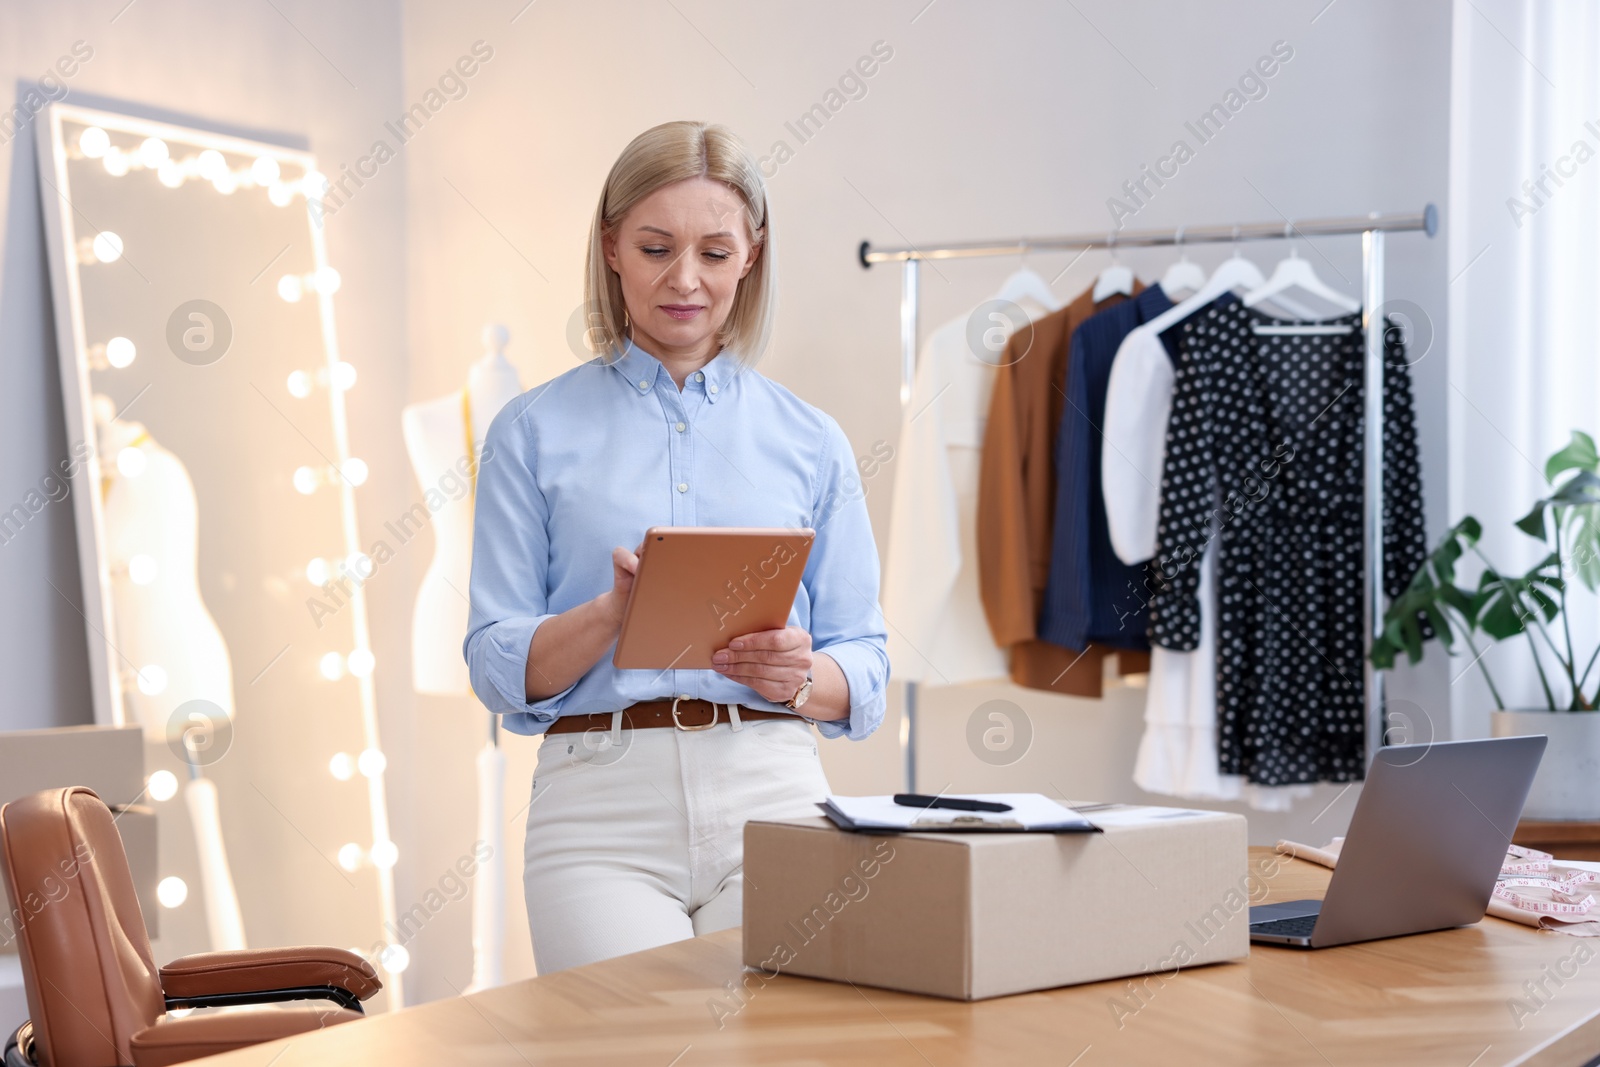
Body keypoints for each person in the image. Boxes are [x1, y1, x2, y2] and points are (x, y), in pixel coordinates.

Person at [464, 120, 889, 973]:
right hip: (598, 804)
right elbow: (493, 661)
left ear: (752, 256)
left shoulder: (812, 440)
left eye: (715, 252)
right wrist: (607, 616)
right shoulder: (530, 432)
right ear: (612, 246)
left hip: (773, 789)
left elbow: (867, 666)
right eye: (656, 247)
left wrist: (800, 675)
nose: (684, 280)